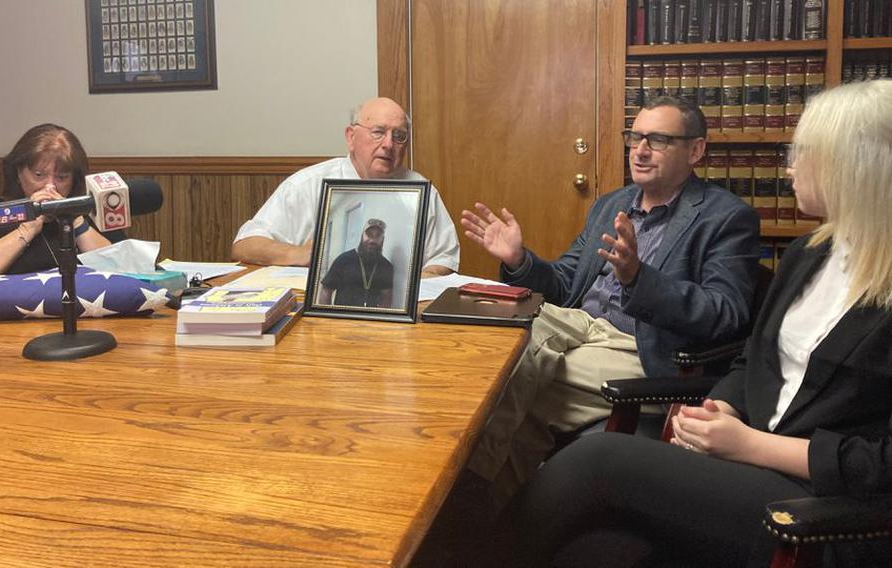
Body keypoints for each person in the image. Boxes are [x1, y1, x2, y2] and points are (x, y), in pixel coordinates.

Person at [509, 80, 892, 567]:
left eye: (805, 152)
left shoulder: (726, 216)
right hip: (744, 456)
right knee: (590, 549)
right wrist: (725, 407)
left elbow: (881, 466)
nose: (789, 166)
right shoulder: (809, 255)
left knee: (596, 460)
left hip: (820, 506)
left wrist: (754, 443)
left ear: (858, 167)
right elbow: (754, 353)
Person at [459, 96, 761, 504]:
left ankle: (468, 490)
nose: (640, 149)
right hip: (576, 329)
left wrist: (639, 278)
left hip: (640, 347)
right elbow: (564, 285)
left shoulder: (726, 217)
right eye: (635, 137)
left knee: (523, 386)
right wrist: (519, 258)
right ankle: (493, 526)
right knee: (511, 328)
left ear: (695, 150)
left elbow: (726, 313)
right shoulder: (612, 205)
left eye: (658, 139)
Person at [231, 97, 459, 277]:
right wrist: (299, 254)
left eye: (399, 136)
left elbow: (444, 258)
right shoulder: (308, 185)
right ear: (351, 137)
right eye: (378, 132)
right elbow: (245, 245)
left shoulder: (421, 190)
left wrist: (413, 285)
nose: (389, 144)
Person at [0, 124, 113, 276]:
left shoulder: (90, 213)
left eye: (62, 177)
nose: (50, 186)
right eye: (39, 175)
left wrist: (74, 220)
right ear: (18, 173)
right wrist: (28, 228)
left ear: (74, 180)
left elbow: (117, 271)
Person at [319, 218, 394, 308]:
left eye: (377, 236)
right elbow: (326, 290)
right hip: (343, 317)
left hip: (370, 319)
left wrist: (378, 319)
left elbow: (386, 297)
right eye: (369, 235)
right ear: (362, 236)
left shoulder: (386, 266)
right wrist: (328, 317)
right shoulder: (343, 260)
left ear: (382, 239)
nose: (372, 240)